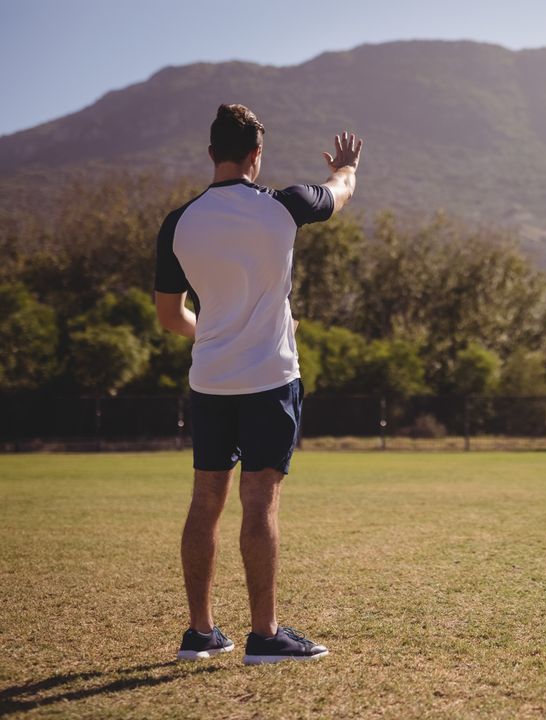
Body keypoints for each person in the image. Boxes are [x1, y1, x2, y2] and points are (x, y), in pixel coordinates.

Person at [154, 104, 361, 664]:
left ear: (210, 154)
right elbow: (338, 192)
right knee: (260, 501)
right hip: (270, 379)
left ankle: (200, 634)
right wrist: (346, 168)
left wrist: (212, 334)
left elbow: (171, 318)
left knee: (206, 501)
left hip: (211, 381)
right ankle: (265, 637)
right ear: (256, 155)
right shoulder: (286, 206)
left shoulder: (179, 222)